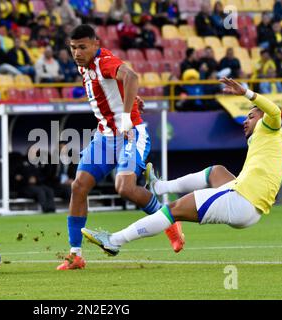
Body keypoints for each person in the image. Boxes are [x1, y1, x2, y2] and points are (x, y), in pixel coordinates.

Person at [81, 78, 282, 257]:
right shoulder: (278, 140)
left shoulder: (270, 125)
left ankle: (114, 240)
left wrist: (246, 93)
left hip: (240, 200)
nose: (245, 121)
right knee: (217, 172)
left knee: (173, 210)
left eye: (251, 117)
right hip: (251, 207)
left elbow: (274, 110)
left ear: (263, 119)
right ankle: (160, 187)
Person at [56, 24, 185, 270]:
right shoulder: (86, 67)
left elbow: (131, 76)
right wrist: (131, 99)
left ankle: (169, 221)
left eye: (82, 47)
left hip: (130, 134)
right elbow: (113, 89)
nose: (77, 53)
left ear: (96, 44)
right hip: (105, 137)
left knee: (124, 188)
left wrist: (126, 116)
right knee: (79, 186)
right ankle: (75, 255)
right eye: (73, 48)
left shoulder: (104, 60)